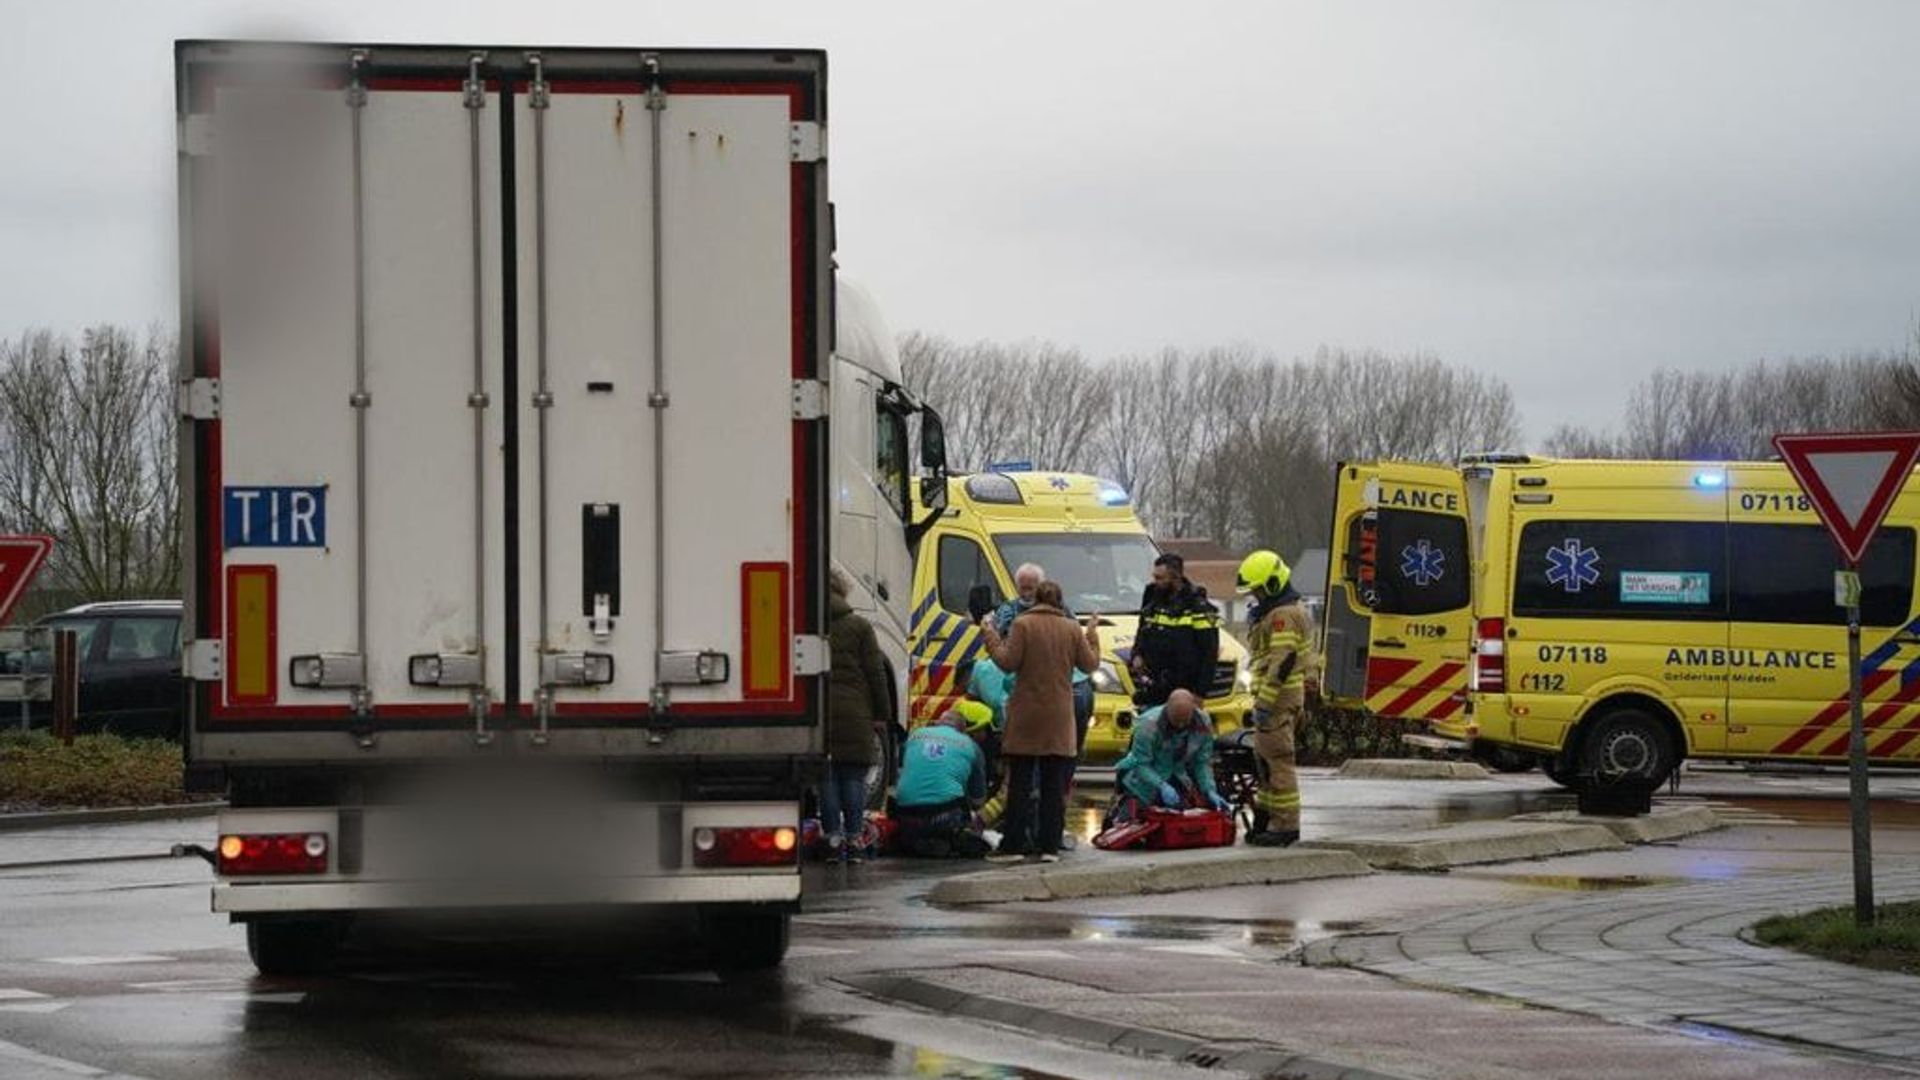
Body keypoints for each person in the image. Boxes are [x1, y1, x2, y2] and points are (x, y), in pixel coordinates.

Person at [979, 580, 1099, 862]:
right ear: (1059, 601)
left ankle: (1014, 846)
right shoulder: (1071, 629)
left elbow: (1007, 662)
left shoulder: (1023, 624)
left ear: (1036, 600)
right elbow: (1090, 664)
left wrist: (990, 635)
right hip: (1059, 715)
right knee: (1053, 784)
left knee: (1020, 783)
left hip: (1027, 715)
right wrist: (1092, 634)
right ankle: (1049, 847)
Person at [1237, 549, 1314, 847]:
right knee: (1267, 765)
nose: (1254, 596)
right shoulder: (1284, 611)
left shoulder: (1283, 616)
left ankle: (1285, 825)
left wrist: (1265, 704)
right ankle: (1267, 819)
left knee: (1279, 764)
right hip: (1281, 701)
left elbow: (1280, 663)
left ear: (1271, 584)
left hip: (1277, 702)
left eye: (1257, 589)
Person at [823, 569, 890, 863]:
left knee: (826, 777)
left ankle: (832, 839)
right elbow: (875, 673)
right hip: (855, 710)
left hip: (821, 712)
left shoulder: (810, 625)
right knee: (852, 776)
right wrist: (881, 713)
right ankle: (854, 839)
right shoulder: (860, 626)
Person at [1112, 689, 1233, 817]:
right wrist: (1161, 786)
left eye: (1185, 721)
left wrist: (1209, 789)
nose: (1180, 726)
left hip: (1178, 775)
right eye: (1176, 721)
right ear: (1167, 709)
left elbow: (1202, 762)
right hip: (1143, 782)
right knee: (1131, 823)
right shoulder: (1148, 725)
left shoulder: (1203, 723)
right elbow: (1140, 764)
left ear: (1193, 711)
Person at [893, 703, 994, 858]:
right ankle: (946, 839)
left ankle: (917, 841)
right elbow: (977, 798)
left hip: (905, 816)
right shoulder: (971, 746)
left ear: (938, 723)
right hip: (945, 817)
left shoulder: (915, 735)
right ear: (963, 730)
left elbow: (903, 770)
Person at [1130, 552, 1222, 708]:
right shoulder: (1152, 599)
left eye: (1160, 578)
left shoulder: (1197, 606)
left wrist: (1200, 693)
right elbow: (1142, 631)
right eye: (1155, 577)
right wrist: (1137, 654)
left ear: (1176, 577)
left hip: (1184, 692)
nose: (1156, 582)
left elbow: (1209, 654)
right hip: (1154, 689)